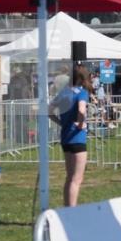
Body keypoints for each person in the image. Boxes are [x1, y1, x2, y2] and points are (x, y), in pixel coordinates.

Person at [48, 64, 91, 207]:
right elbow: (81, 109)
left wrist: (60, 122)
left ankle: (67, 207)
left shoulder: (64, 92)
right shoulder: (82, 92)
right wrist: (80, 124)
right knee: (77, 179)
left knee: (69, 176)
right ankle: (72, 210)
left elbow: (49, 109)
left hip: (65, 137)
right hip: (77, 138)